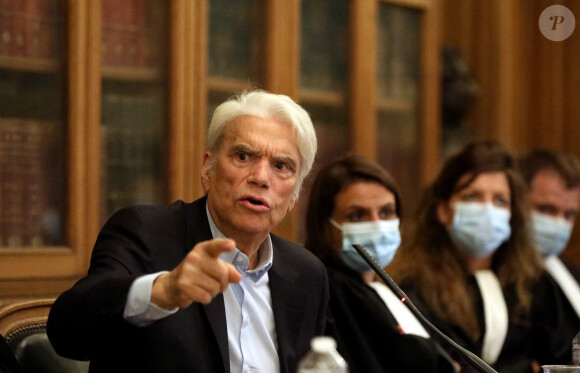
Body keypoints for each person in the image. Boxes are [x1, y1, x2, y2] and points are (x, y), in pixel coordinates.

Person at [47, 89, 329, 373]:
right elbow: (67, 334)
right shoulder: (145, 233)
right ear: (208, 168)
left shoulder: (306, 273)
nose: (260, 178)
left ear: (294, 196)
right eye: (243, 156)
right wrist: (162, 291)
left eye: (281, 166)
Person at [388, 140, 568, 373]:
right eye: (472, 197)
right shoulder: (414, 289)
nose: (488, 210)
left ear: (512, 213)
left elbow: (560, 361)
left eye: (500, 200)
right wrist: (525, 368)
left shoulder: (535, 283)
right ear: (443, 210)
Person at [304, 153, 457, 373]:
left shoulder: (382, 288)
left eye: (386, 212)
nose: (377, 225)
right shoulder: (330, 291)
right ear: (326, 227)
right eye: (357, 216)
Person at [518, 149, 580, 362]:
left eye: (569, 214)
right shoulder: (498, 273)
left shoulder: (570, 273)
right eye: (546, 210)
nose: (558, 223)